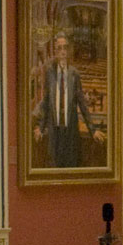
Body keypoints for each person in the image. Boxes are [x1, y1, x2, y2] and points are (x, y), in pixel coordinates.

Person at [31, 33, 99, 168]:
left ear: (68, 51)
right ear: (55, 52)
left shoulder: (74, 74)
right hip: (54, 130)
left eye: (65, 48)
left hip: (70, 129)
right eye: (59, 48)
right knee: (53, 165)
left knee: (71, 164)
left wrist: (93, 130)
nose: (62, 51)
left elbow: (82, 104)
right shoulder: (49, 73)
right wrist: (41, 127)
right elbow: (46, 102)